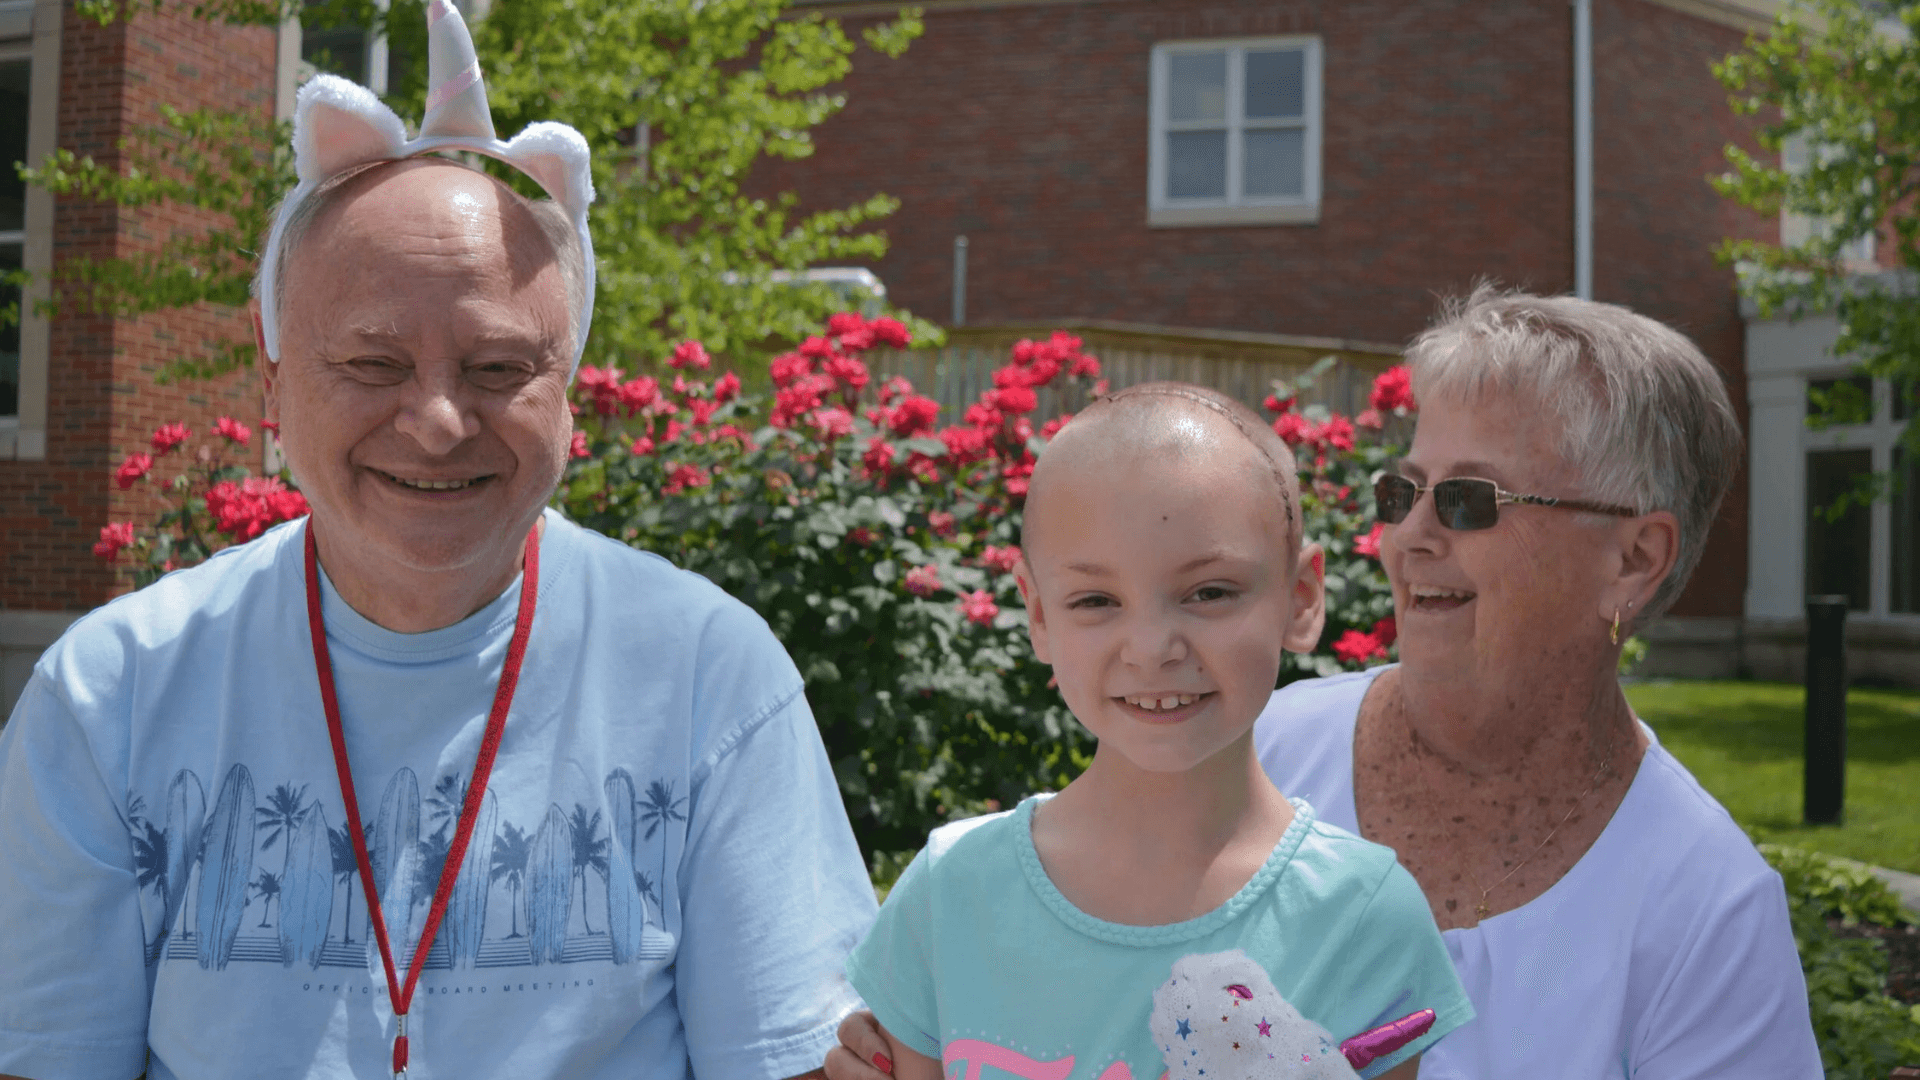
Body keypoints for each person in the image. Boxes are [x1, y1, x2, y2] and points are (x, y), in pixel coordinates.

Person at [0, 7, 872, 1079]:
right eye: (371, 366)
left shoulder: (708, 677)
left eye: (500, 368)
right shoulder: (110, 695)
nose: (439, 421)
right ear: (272, 383)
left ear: (570, 396)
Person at [829, 288, 1823, 1080]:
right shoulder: (1252, 735)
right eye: (1405, 490)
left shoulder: (1706, 910)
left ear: (1634, 559)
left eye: (1471, 499)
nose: (1411, 534)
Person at [841, 383, 1475, 1080]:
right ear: (1039, 614)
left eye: (1209, 592)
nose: (1150, 646)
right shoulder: (949, 893)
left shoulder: (1363, 915)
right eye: (1095, 600)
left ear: (1301, 598)